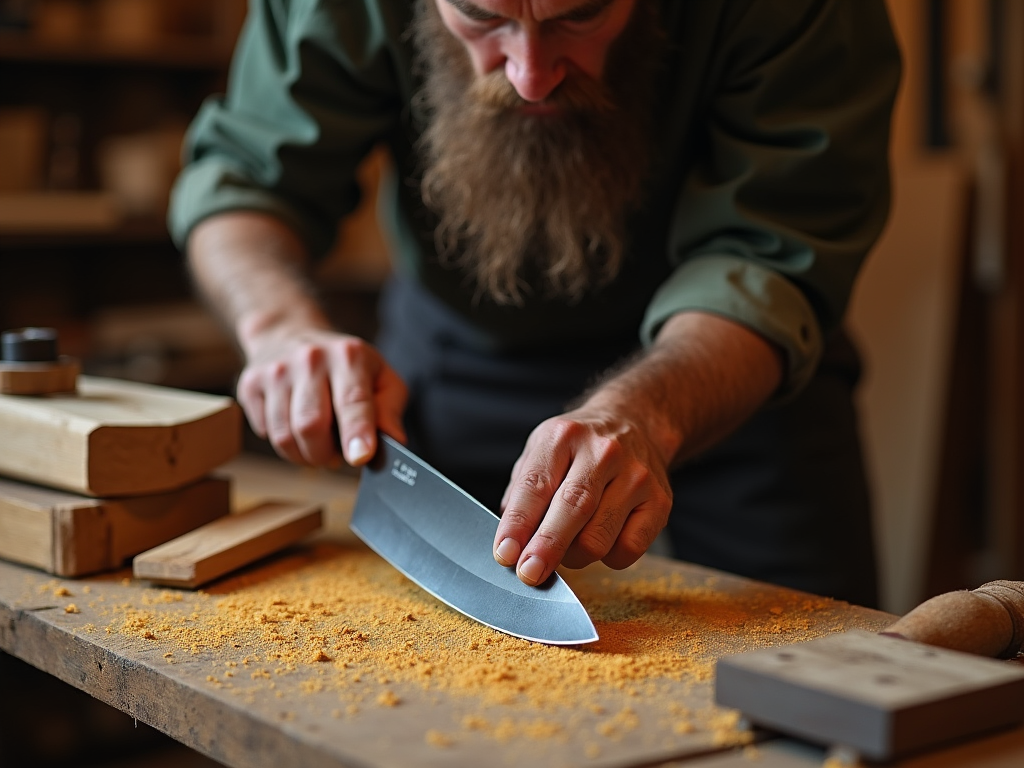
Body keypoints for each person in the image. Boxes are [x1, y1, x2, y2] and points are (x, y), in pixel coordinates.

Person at [169, 0, 901, 608]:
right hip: (456, 361)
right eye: (482, 18)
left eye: (578, 16)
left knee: (815, 684)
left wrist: (647, 412)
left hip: (730, 371)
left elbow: (771, 248)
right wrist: (279, 329)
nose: (530, 76)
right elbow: (247, 181)